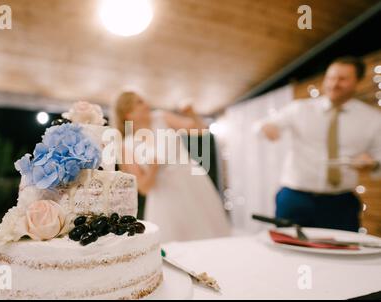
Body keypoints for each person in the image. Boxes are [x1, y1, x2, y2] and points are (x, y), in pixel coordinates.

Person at [258, 56, 381, 232]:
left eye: (343, 79)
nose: (334, 84)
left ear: (358, 82)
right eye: (331, 78)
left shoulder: (373, 119)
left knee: (341, 255)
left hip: (341, 203)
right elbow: (261, 126)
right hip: (294, 197)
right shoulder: (299, 109)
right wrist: (266, 127)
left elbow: (379, 156)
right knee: (286, 252)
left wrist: (373, 163)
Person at [113, 91, 230, 242]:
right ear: (128, 114)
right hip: (164, 196)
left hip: (192, 182)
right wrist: (154, 168)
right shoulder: (126, 145)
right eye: (139, 102)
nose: (146, 104)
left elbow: (201, 130)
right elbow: (143, 187)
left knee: (208, 232)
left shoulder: (161, 117)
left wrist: (191, 113)